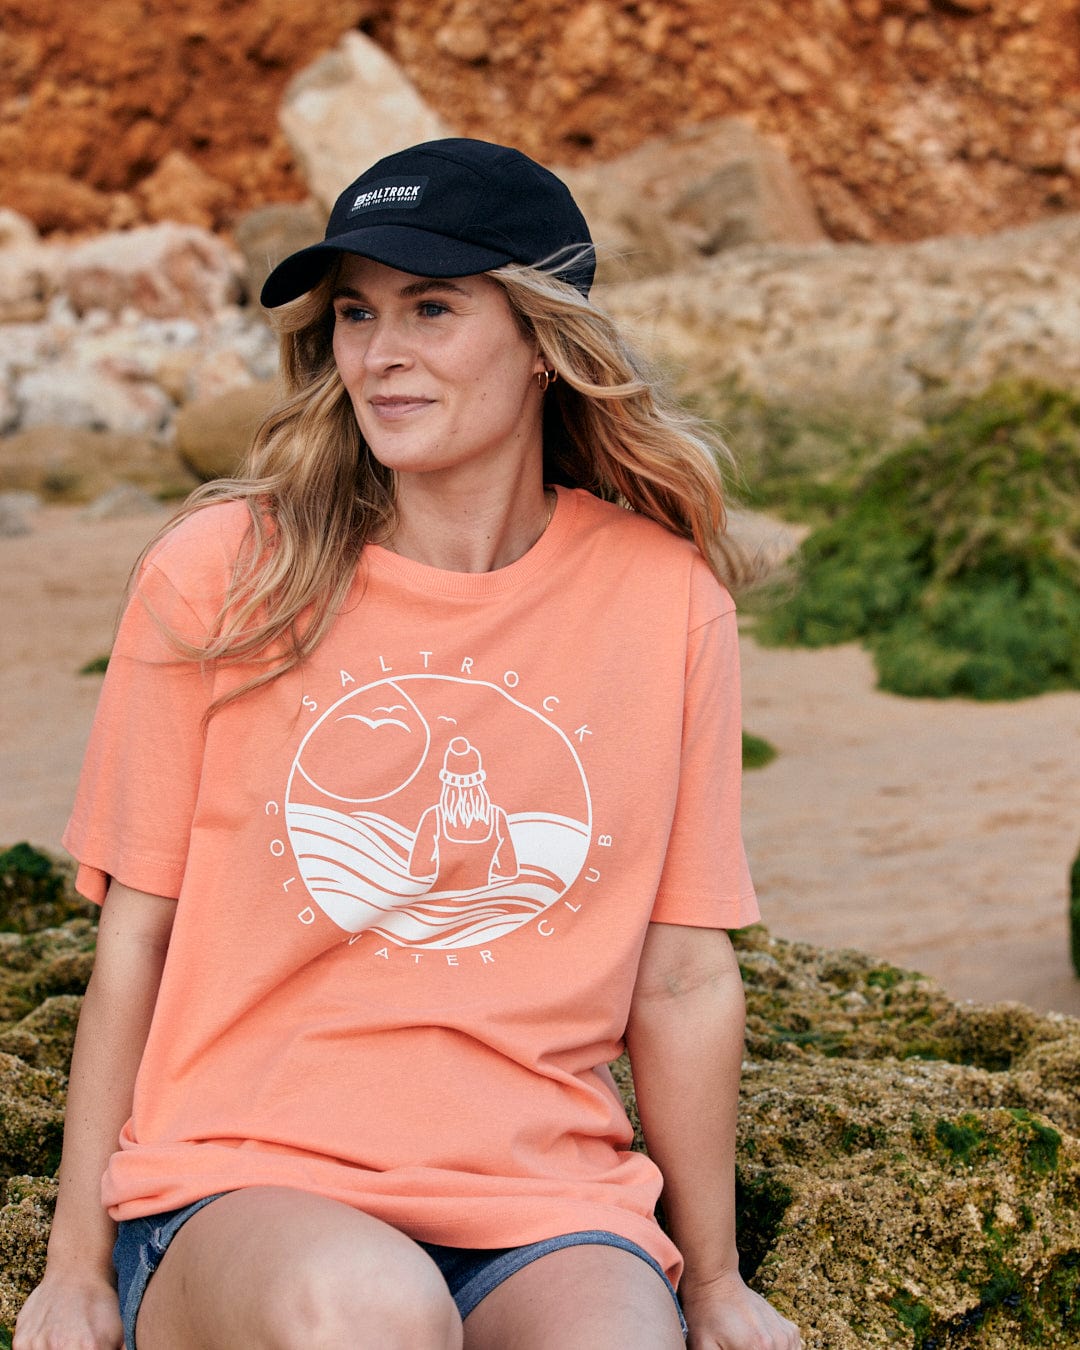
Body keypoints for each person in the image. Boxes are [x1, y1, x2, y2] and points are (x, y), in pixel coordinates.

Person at [14, 138, 802, 1350]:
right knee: (369, 1310)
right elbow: (139, 936)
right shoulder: (225, 575)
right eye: (356, 314)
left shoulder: (663, 599)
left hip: (544, 1197)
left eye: (432, 308)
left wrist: (711, 1283)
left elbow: (682, 974)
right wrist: (74, 1271)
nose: (382, 356)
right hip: (246, 1182)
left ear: (544, 337)